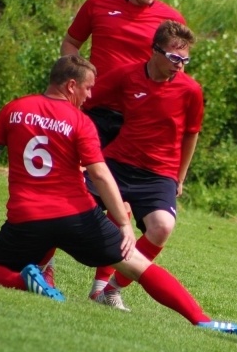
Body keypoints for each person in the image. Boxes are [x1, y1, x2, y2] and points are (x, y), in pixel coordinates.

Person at [0, 54, 237, 336]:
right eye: (87, 88)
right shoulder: (80, 122)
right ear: (71, 86)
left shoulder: (14, 109)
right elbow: (100, 175)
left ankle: (22, 281)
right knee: (139, 265)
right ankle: (201, 320)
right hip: (77, 217)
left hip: (27, 219)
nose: (89, 96)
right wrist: (124, 225)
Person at [84, 20, 202, 312]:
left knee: (162, 226)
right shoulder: (126, 76)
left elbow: (191, 134)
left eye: (185, 59)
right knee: (68, 205)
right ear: (155, 51)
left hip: (159, 174)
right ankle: (41, 265)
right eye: (174, 58)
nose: (179, 65)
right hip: (116, 164)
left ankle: (111, 290)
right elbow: (86, 102)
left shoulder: (191, 90)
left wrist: (179, 177)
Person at [60, 0, 185, 147]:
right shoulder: (98, 5)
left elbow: (177, 70)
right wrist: (77, 80)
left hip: (139, 116)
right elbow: (70, 43)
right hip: (94, 109)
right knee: (80, 175)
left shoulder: (171, 20)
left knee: (125, 179)